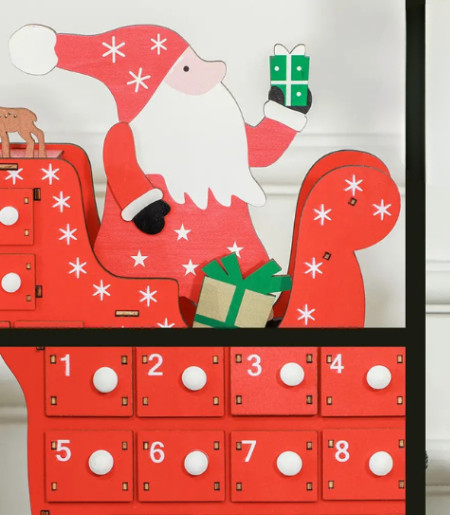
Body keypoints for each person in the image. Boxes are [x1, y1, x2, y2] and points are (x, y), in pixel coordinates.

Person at [10, 23, 309, 308]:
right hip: (148, 252)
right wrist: (142, 206)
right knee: (148, 297)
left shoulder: (222, 129)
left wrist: (286, 112)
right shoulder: (131, 133)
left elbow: (261, 151)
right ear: (153, 90)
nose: (212, 74)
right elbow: (122, 171)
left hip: (225, 252)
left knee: (235, 300)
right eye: (187, 69)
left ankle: (234, 323)